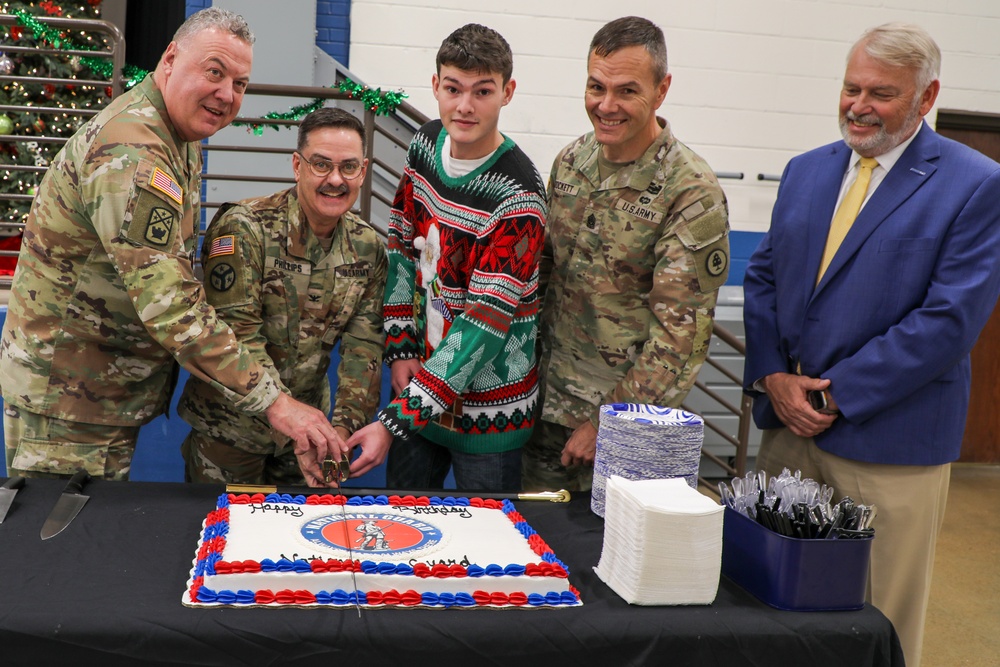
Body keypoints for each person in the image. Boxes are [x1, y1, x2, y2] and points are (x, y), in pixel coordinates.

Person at [742, 23, 1000, 667]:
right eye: (851, 87)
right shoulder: (807, 171)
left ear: (927, 95)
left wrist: (837, 393)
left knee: (877, 616)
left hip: (889, 442)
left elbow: (947, 321)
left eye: (880, 93)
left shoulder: (974, 184)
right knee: (764, 599)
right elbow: (765, 277)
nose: (858, 105)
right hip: (787, 430)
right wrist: (773, 375)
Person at [0, 8, 341, 481]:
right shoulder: (133, 153)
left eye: (240, 83)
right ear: (170, 58)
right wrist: (276, 403)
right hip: (70, 403)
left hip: (97, 390)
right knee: (60, 543)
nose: (226, 94)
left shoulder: (175, 133)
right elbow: (171, 306)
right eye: (214, 72)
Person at [522, 16, 730, 493]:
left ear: (662, 89)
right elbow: (545, 275)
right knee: (541, 549)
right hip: (544, 412)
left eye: (626, 91)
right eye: (596, 86)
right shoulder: (571, 162)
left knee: (614, 559)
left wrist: (609, 423)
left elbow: (681, 338)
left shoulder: (689, 190)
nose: (606, 105)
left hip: (624, 432)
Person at [344, 23, 547, 491]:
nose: (465, 106)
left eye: (482, 91)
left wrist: (394, 422)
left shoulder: (518, 198)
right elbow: (400, 243)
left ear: (507, 92)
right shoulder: (424, 145)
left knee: (491, 541)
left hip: (490, 413)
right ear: (435, 85)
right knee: (406, 531)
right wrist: (401, 350)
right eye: (453, 88)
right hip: (419, 387)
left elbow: (482, 326)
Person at [177, 108, 387, 486]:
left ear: (364, 170)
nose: (335, 180)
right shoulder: (246, 228)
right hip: (231, 433)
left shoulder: (368, 248)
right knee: (222, 539)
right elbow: (238, 337)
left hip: (309, 436)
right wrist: (297, 428)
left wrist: (339, 433)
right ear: (297, 165)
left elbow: (364, 352)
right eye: (321, 164)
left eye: (349, 167)